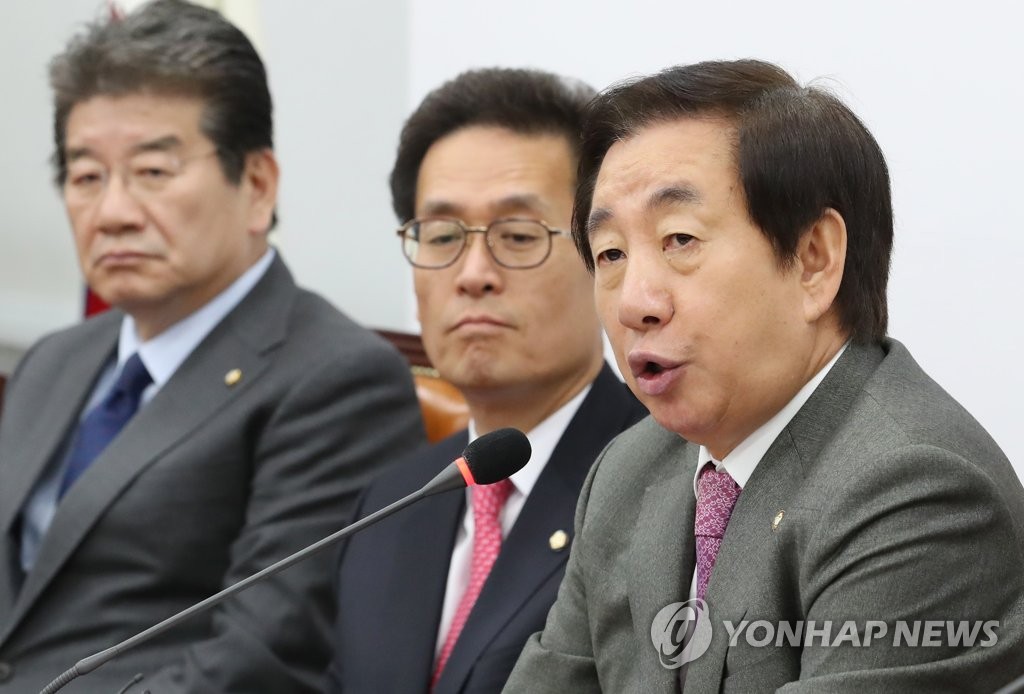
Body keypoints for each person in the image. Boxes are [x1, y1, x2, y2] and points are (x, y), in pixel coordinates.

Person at [505, 59, 1024, 693]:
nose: (635, 302)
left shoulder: (916, 493)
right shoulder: (628, 471)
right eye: (611, 253)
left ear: (814, 260)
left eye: (679, 240)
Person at [0, 2, 425, 692]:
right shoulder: (53, 360)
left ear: (256, 186)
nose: (112, 213)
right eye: (86, 177)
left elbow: (260, 660)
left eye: (153, 172)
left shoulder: (337, 380)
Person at [326, 68, 647, 693]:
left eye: (518, 236)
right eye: (443, 236)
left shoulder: (667, 487)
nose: (473, 274)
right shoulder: (391, 502)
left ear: (603, 256)